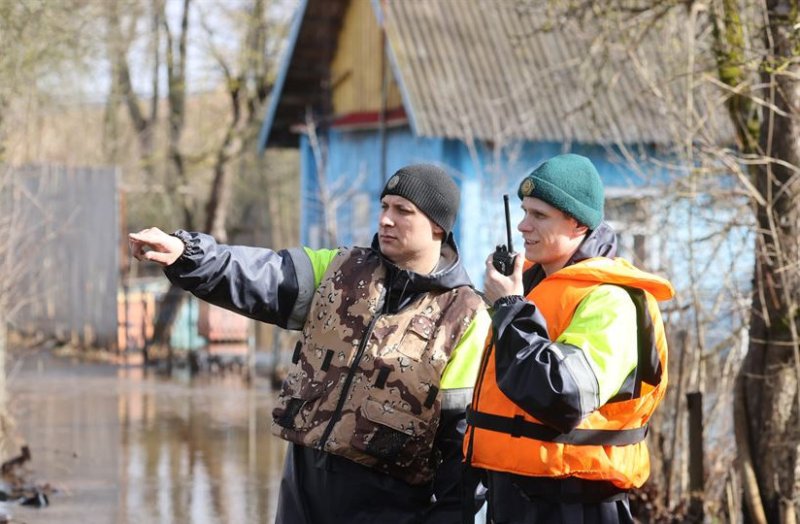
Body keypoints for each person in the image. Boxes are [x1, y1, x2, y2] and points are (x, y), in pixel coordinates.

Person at [129, 164, 491, 524]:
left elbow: (463, 452)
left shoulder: (465, 317)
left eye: (403, 211)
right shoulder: (338, 270)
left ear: (439, 226)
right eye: (384, 206)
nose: (386, 220)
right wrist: (186, 253)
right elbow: (258, 272)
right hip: (303, 493)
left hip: (390, 505)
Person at [464, 154, 674, 524]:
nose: (524, 226)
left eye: (539, 216)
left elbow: (561, 395)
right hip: (516, 496)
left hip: (576, 506)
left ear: (578, 224)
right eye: (524, 212)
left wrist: (510, 308)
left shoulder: (610, 300)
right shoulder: (528, 285)